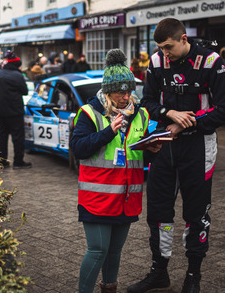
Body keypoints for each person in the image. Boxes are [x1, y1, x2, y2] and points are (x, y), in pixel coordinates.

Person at [129, 18, 225, 293]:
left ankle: (193, 276)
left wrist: (189, 122)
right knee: (159, 213)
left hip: (198, 146)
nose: (164, 53)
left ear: (184, 39)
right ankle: (159, 272)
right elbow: (147, 102)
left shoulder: (211, 62)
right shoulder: (155, 63)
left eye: (168, 47)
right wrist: (168, 114)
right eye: (160, 48)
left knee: (196, 213)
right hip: (164, 145)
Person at [71, 49, 159, 293]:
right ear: (108, 90)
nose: (126, 96)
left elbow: (138, 152)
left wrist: (152, 148)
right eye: (121, 91)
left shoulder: (140, 113)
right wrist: (109, 131)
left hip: (127, 197)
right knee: (98, 250)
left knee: (115, 251)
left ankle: (109, 288)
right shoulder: (90, 113)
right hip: (97, 198)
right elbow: (79, 148)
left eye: (129, 90)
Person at [0, 50, 32, 169]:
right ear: (17, 65)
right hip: (14, 111)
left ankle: (2, 161)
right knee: (17, 137)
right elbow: (25, 91)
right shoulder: (18, 76)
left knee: (2, 136)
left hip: (0, 110)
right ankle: (18, 161)